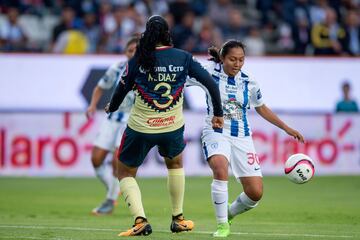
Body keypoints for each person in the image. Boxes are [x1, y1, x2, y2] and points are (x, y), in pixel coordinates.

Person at [105, 15, 224, 237]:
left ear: (147, 34)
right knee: (175, 165)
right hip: (171, 127)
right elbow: (210, 84)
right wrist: (218, 113)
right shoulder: (183, 57)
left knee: (124, 172)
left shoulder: (139, 58)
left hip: (141, 128)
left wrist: (112, 106)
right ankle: (178, 218)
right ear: (167, 33)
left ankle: (140, 220)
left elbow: (122, 88)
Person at [187, 40, 305, 237]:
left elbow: (261, 107)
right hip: (216, 131)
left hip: (242, 137)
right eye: (232, 59)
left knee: (255, 193)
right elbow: (182, 77)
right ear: (222, 58)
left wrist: (286, 127)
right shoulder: (208, 71)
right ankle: (222, 226)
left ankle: (228, 213)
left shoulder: (249, 81)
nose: (237, 64)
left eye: (241, 60)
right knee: (220, 168)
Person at [86, 36, 138, 215]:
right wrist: (92, 105)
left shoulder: (146, 71)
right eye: (130, 50)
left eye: (136, 51)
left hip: (131, 120)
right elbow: (100, 87)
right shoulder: (117, 68)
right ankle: (114, 190)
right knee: (96, 159)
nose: (133, 54)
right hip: (112, 118)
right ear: (125, 52)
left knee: (118, 159)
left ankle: (110, 200)